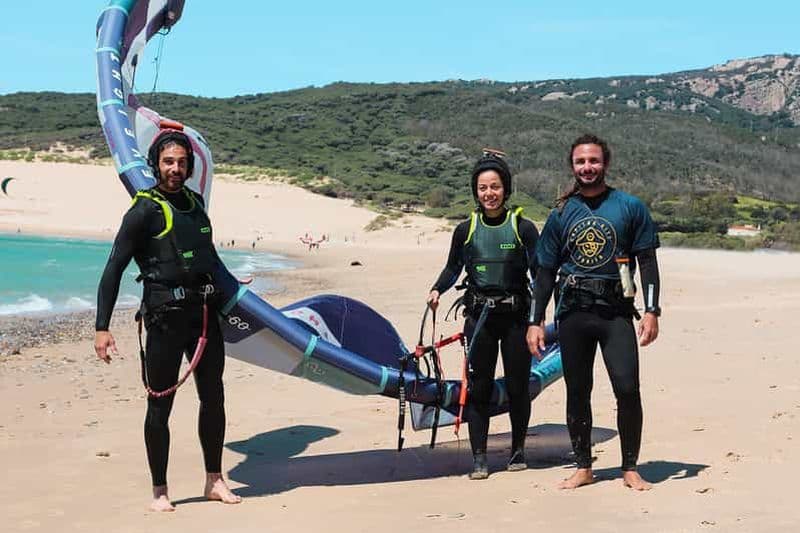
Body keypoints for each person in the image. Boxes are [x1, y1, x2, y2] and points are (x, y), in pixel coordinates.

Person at [94, 129, 242, 511]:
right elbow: (114, 266)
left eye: (181, 162)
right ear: (155, 165)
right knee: (160, 406)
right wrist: (102, 327)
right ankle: (160, 491)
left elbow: (208, 257)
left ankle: (214, 480)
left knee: (214, 398)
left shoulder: (195, 203)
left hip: (203, 317)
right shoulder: (144, 210)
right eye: (168, 162)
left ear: (190, 167)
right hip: (164, 321)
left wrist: (233, 290)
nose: (175, 168)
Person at [527, 134, 661, 491]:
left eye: (594, 161)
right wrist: (535, 321)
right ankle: (584, 467)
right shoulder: (561, 213)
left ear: (606, 163)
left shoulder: (630, 207)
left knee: (627, 388)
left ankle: (630, 467)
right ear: (573, 166)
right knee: (577, 390)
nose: (587, 167)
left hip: (615, 313)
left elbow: (647, 262)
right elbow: (544, 272)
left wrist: (652, 311)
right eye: (581, 162)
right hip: (573, 313)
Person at [428, 150, 540, 480]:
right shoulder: (465, 229)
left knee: (518, 386)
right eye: (482, 188)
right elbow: (452, 267)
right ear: (475, 191)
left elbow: (539, 274)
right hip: (480, 320)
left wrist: (539, 317)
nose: (489, 193)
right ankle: (479, 458)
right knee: (479, 388)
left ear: (506, 189)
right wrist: (436, 289)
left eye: (495, 186)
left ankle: (518, 451)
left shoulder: (523, 228)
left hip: (516, 317)